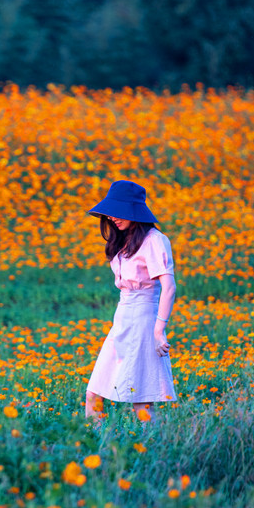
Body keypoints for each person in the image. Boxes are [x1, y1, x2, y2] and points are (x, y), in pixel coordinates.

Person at [85, 180, 177, 424]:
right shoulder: (123, 241)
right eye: (111, 212)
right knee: (94, 393)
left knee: (141, 399)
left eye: (119, 211)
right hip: (122, 319)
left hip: (143, 320)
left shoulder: (155, 240)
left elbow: (169, 288)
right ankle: (95, 447)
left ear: (134, 210)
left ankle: (155, 449)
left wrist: (159, 330)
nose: (113, 218)